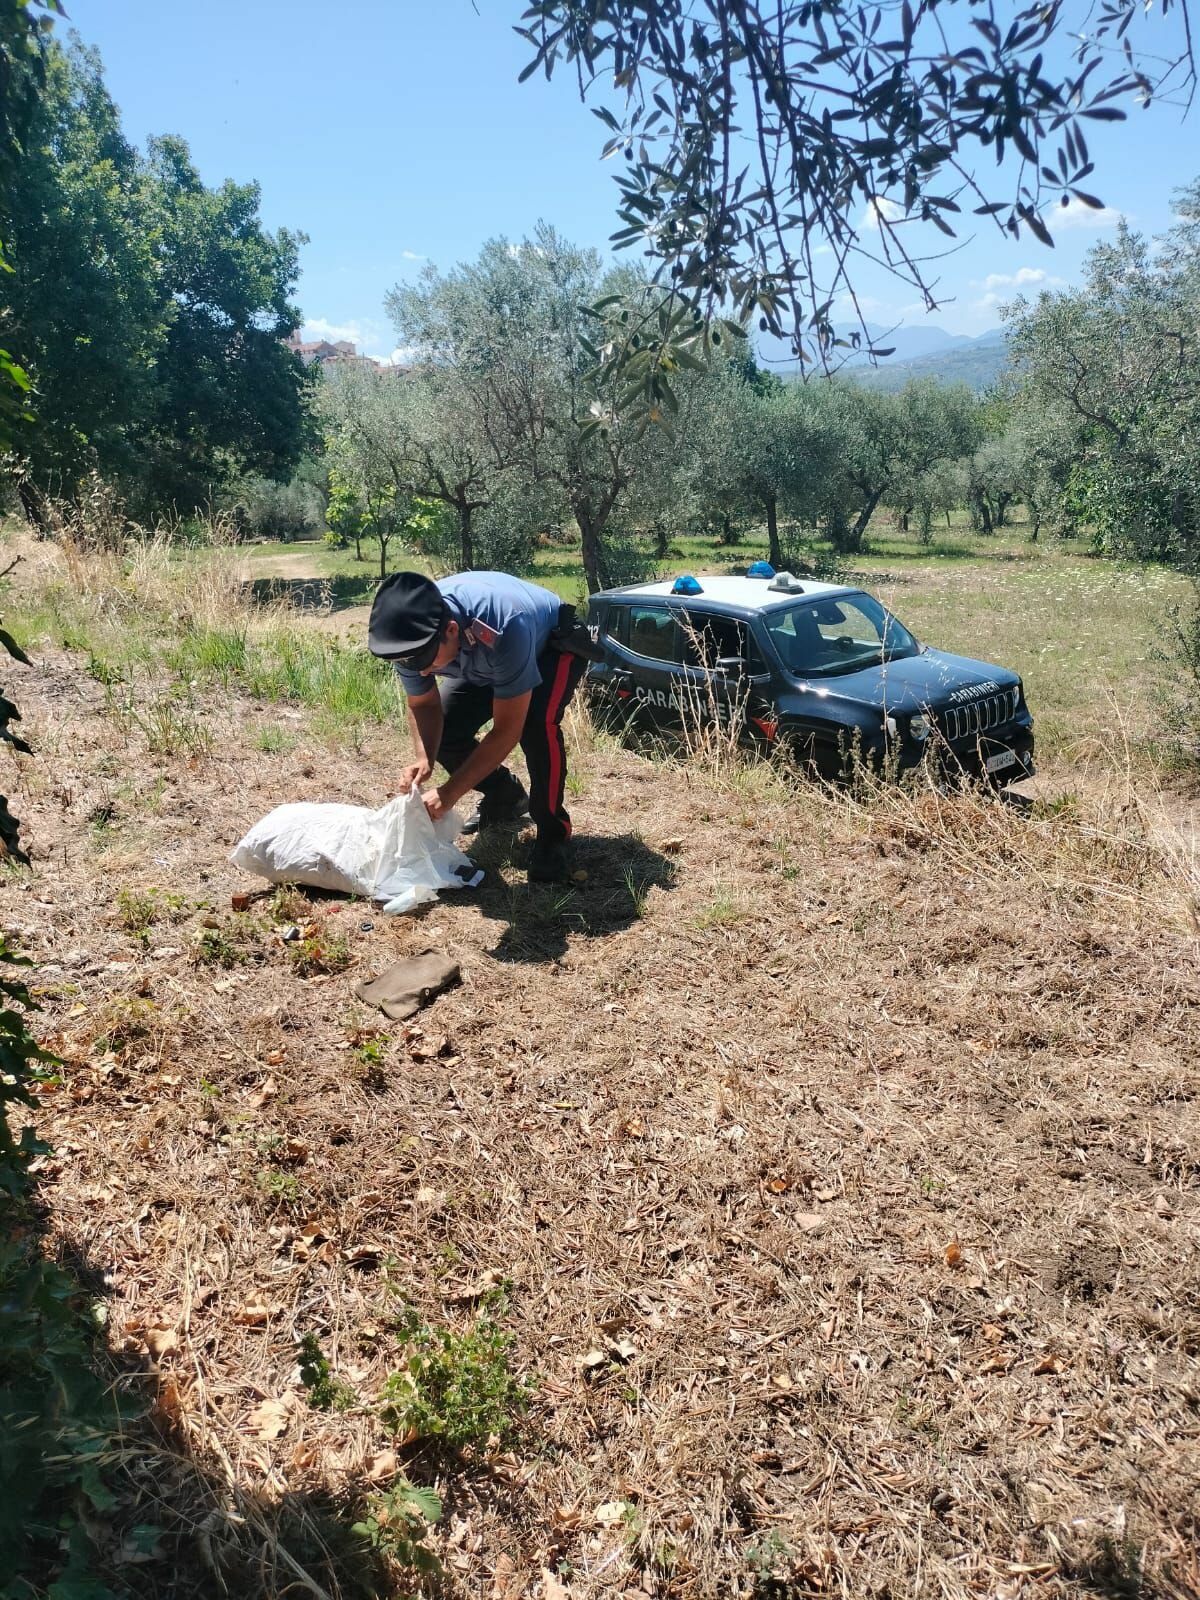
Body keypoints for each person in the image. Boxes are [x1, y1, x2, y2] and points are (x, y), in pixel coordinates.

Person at [367, 570, 590, 883]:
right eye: (409, 663)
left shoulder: (504, 624)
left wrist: (449, 793)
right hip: (485, 659)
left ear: (451, 629)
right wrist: (423, 758)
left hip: (548, 647)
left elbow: (506, 730)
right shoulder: (412, 642)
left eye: (426, 660)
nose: (422, 670)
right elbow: (423, 704)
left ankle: (553, 833)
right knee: (446, 724)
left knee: (536, 727)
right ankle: (506, 796)